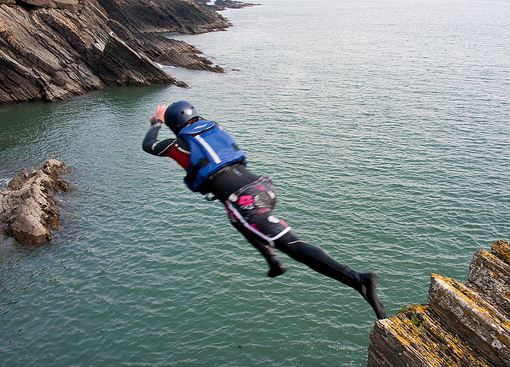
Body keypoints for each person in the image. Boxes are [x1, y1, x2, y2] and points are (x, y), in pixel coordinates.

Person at [142, 101, 386, 320]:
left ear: (175, 124)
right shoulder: (215, 127)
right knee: (235, 218)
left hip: (246, 201)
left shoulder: (177, 144)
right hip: (263, 187)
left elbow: (149, 145)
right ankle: (272, 261)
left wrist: (156, 121)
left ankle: (357, 279)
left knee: (292, 245)